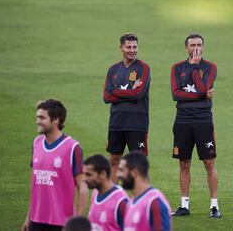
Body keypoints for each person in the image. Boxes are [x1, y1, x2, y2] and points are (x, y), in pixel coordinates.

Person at [170, 33, 220, 218]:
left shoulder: (210, 67)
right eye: (192, 45)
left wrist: (195, 67)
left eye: (199, 44)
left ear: (203, 47)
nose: (196, 48)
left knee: (209, 162)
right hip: (182, 120)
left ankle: (214, 206)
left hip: (203, 119)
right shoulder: (176, 68)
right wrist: (201, 93)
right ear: (186, 48)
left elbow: (203, 87)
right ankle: (184, 205)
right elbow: (176, 94)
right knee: (184, 163)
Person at [22, 99, 88, 231]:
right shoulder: (37, 143)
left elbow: (82, 186)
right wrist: (28, 216)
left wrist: (79, 224)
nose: (37, 121)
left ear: (56, 120)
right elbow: (35, 183)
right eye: (37, 117)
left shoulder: (72, 147)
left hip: (61, 222)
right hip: (36, 219)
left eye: (42, 118)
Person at [103, 33, 151, 183]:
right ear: (121, 48)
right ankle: (113, 198)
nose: (132, 50)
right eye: (128, 47)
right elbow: (106, 97)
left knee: (138, 162)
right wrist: (129, 91)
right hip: (116, 122)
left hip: (137, 123)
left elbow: (137, 94)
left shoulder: (144, 68)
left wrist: (116, 91)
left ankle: (141, 200)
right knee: (114, 159)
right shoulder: (113, 70)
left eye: (135, 47)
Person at [118, 152, 172, 231]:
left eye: (122, 170)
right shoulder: (130, 202)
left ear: (134, 172)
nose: (118, 175)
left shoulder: (154, 202)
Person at [84, 154, 129, 231]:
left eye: (89, 175)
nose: (85, 179)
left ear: (103, 174)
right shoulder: (95, 194)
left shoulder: (120, 201)